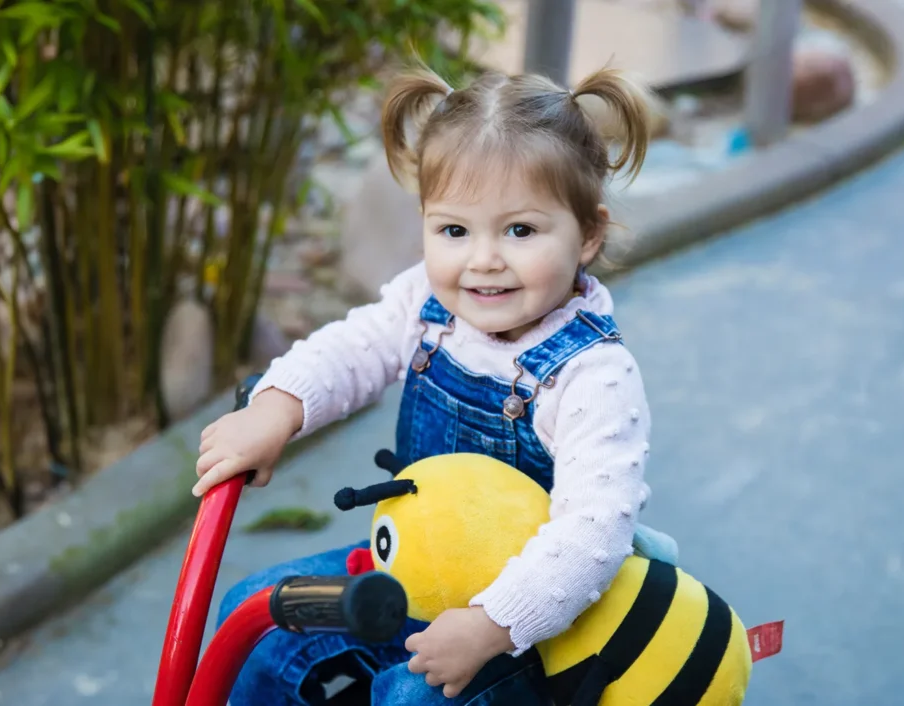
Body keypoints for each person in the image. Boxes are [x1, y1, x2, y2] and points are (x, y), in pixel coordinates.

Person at [194, 62, 679, 705]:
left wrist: (492, 624)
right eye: (454, 230)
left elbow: (592, 531)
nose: (482, 259)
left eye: (521, 230)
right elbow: (353, 346)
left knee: (410, 699)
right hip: (410, 571)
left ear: (588, 233)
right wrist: (279, 405)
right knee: (251, 620)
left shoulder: (590, 375)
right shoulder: (428, 305)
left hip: (522, 627)